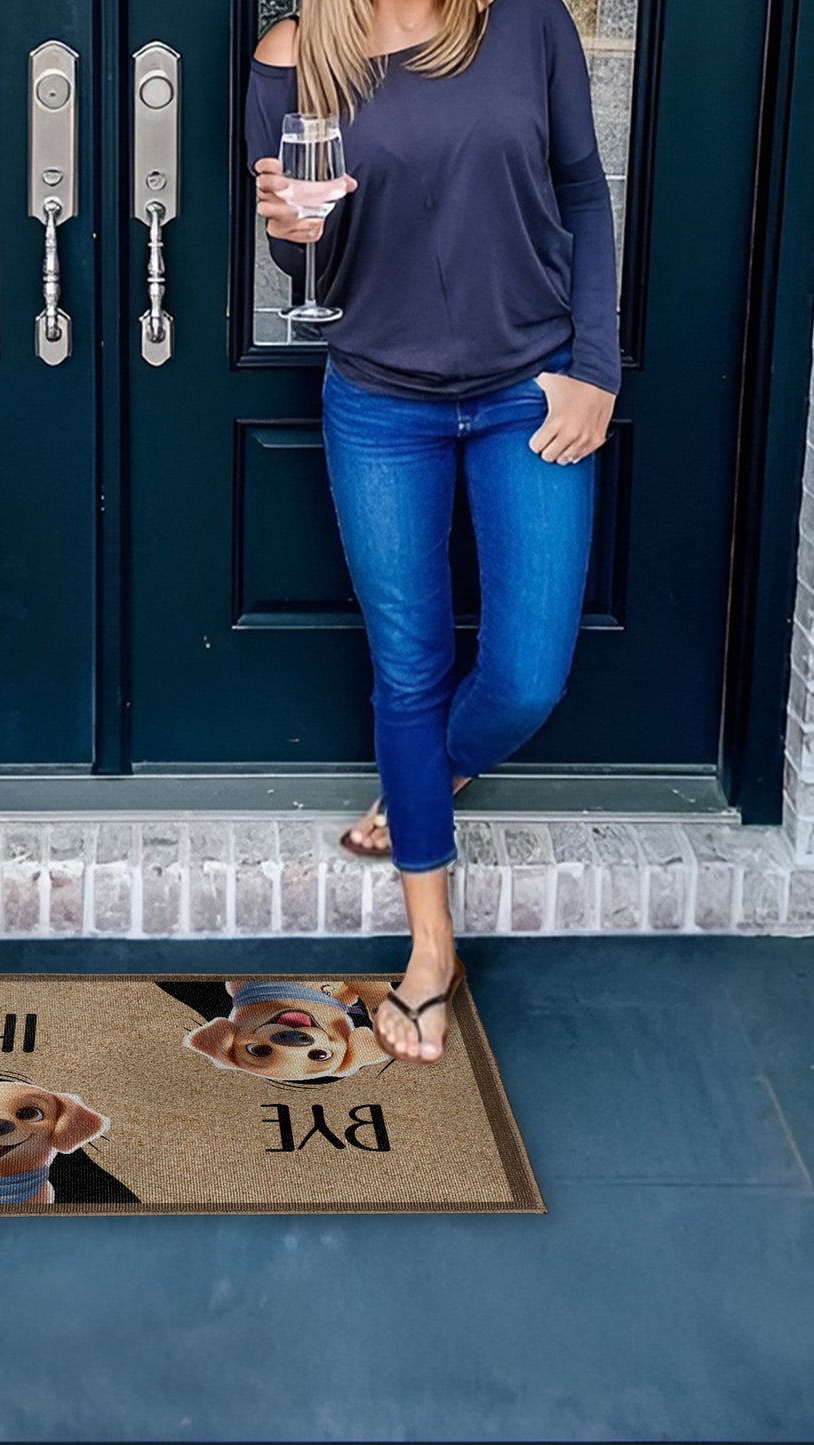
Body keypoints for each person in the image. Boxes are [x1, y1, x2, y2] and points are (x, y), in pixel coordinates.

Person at [245, 0, 619, 1063]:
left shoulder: (523, 22)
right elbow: (301, 263)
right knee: (405, 669)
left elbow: (582, 193)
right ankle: (428, 949)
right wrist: (291, 233)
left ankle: (434, 764)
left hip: (527, 390)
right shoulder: (289, 54)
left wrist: (594, 368)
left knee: (525, 677)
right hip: (378, 403)